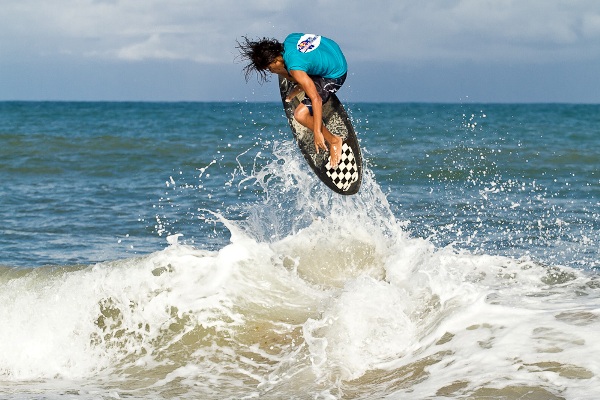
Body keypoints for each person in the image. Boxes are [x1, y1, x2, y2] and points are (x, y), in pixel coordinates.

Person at [236, 33, 348, 168]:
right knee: (287, 72)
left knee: (300, 115)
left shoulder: (295, 67)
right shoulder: (289, 39)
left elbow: (316, 99)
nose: (271, 71)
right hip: (331, 49)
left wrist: (317, 132)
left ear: (275, 60)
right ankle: (303, 84)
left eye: (270, 68)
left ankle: (334, 140)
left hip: (336, 73)